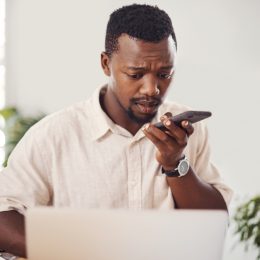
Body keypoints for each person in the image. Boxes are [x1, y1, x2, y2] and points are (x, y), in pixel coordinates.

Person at [0, 4, 232, 258]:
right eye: (136, 74)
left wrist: (175, 165)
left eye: (164, 74)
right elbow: (3, 217)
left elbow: (215, 222)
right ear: (105, 63)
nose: (152, 89)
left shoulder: (187, 132)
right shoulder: (54, 135)